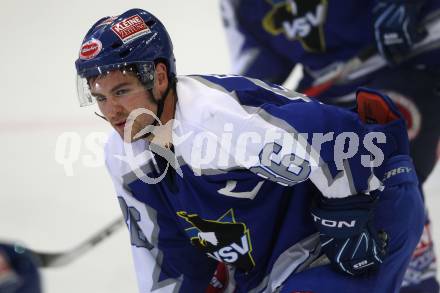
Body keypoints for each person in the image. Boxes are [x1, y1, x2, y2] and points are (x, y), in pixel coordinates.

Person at [75, 8, 425, 293]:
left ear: (160, 77)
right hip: (281, 258)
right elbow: (168, 262)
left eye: (121, 92)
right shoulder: (124, 160)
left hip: (374, 201)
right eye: (101, 97)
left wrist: (349, 211)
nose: (111, 112)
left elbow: (343, 139)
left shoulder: (215, 120)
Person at [220, 0, 440, 292]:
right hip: (339, 88)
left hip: (420, 57)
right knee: (306, 181)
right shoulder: (239, 6)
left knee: (383, 158)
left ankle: (414, 279)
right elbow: (257, 79)